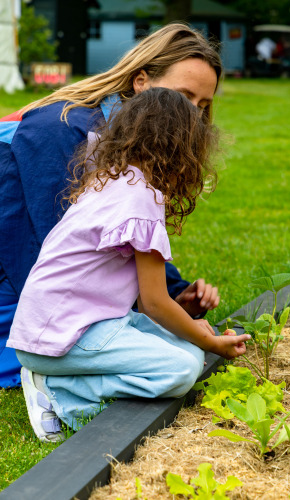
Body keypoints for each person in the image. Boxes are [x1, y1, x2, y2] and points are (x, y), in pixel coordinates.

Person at [7, 88, 251, 442]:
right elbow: (154, 303)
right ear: (182, 149)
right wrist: (211, 342)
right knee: (181, 369)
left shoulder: (114, 179)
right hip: (60, 340)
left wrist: (198, 335)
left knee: (190, 350)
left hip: (68, 325)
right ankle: (62, 395)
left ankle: (62, 378)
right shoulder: (143, 198)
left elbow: (149, 305)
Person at [0, 23, 223, 388]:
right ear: (141, 82)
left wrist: (173, 293)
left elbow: (124, 235)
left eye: (203, 106)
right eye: (184, 97)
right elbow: (51, 248)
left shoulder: (137, 147)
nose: (194, 117)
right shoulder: (60, 129)